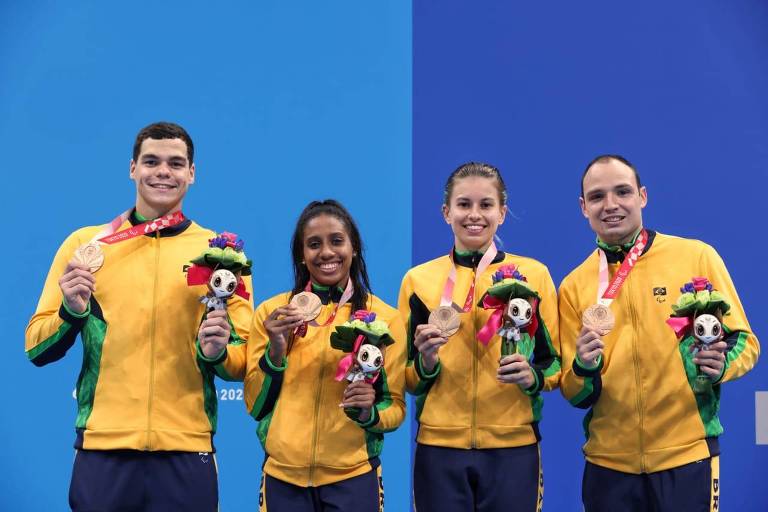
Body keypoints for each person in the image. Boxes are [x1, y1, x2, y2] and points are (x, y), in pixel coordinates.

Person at [25, 122, 253, 511]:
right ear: (133, 168)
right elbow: (36, 347)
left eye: (176, 163)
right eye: (151, 161)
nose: (163, 171)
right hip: (103, 448)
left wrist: (217, 351)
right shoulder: (86, 246)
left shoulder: (223, 257)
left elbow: (242, 359)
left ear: (192, 174)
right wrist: (72, 312)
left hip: (186, 447)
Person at [559, 154, 760, 511]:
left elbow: (744, 341)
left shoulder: (696, 256)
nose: (611, 205)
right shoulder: (574, 286)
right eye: (597, 196)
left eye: (622, 192)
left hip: (686, 457)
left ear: (642, 196)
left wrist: (720, 363)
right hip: (608, 466)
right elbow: (575, 394)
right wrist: (584, 367)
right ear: (583, 207)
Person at [399, 162, 560, 511]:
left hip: (513, 448)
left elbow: (555, 364)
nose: (475, 214)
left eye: (486, 205)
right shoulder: (418, 281)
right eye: (463, 204)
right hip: (439, 450)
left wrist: (533, 376)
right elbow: (406, 379)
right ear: (446, 212)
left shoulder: (533, 275)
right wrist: (426, 362)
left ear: (502, 212)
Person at [234, 199, 405, 511]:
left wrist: (369, 413)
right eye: (314, 244)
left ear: (354, 248)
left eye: (337, 241)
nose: (326, 252)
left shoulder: (385, 320)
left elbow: (394, 408)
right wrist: (276, 348)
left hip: (353, 478)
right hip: (283, 480)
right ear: (302, 255)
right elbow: (255, 406)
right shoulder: (273, 314)